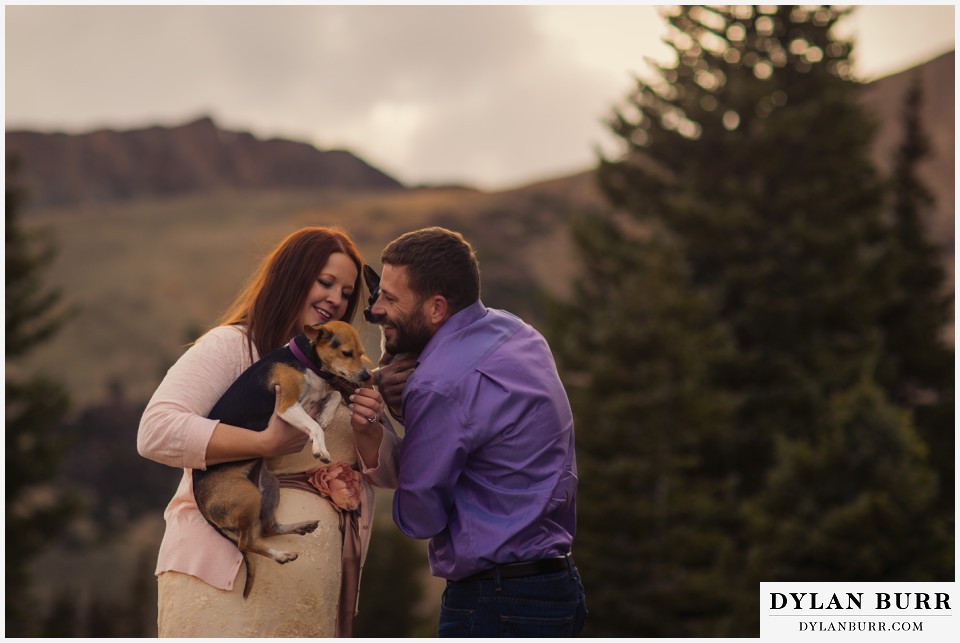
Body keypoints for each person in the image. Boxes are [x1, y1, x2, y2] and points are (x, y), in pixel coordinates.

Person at [137, 226, 400, 637]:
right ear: (291, 278)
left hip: (311, 599)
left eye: (347, 293)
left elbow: (393, 476)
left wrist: (369, 432)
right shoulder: (233, 346)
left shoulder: (342, 368)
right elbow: (155, 430)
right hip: (226, 584)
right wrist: (264, 443)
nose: (336, 298)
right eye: (325, 282)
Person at [368, 226, 587, 637]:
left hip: (496, 605)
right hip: (558, 586)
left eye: (391, 299)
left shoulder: (438, 384)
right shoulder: (518, 333)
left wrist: (386, 411)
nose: (376, 308)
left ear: (436, 309)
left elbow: (420, 518)